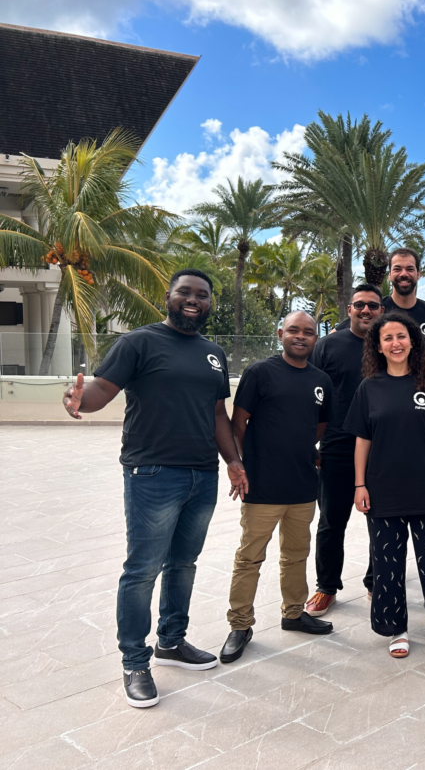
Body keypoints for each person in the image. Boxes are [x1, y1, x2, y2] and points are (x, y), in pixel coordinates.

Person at [61, 269, 248, 709]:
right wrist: (79, 400)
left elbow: (217, 414)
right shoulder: (139, 342)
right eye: (185, 292)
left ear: (209, 303)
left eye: (202, 295)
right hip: (152, 474)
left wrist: (234, 461)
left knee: (183, 563)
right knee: (143, 569)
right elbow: (102, 389)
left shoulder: (213, 354)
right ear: (168, 296)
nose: (193, 300)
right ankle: (134, 661)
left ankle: (171, 641)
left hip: (202, 475)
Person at [345, 312, 425, 657]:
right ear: (378, 347)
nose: (395, 343)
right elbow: (362, 441)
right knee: (387, 565)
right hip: (383, 490)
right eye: (388, 338)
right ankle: (395, 628)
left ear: (412, 342)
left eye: (401, 336)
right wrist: (359, 485)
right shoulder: (369, 388)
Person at [220, 311, 336, 664]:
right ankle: (240, 625)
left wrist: (300, 450)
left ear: (315, 339)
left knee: (296, 554)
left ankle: (294, 613)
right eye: (294, 330)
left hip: (303, 485)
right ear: (280, 333)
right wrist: (246, 463)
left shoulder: (321, 380)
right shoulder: (260, 372)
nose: (301, 336)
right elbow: (238, 423)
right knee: (249, 557)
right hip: (262, 485)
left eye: (308, 332)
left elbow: (320, 425)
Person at [305, 285, 385, 618]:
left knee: (381, 522)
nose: (366, 310)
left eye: (373, 306)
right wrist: (310, 444)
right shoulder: (327, 346)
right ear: (349, 309)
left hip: (382, 449)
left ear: (382, 311)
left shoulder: (389, 346)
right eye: (360, 305)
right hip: (336, 447)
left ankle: (377, 582)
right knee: (330, 522)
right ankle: (326, 586)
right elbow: (308, 395)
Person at [382, 247, 425, 337]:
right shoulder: (376, 310)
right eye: (397, 269)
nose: (404, 274)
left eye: (410, 269)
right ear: (389, 275)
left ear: (418, 275)